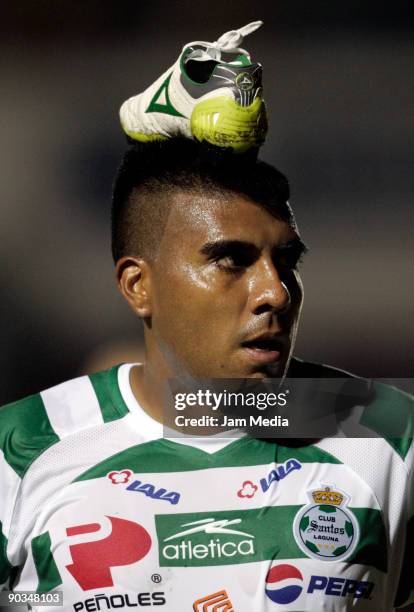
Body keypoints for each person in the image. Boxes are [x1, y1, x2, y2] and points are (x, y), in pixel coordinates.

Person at [1, 24, 413, 612]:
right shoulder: (18, 451)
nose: (274, 291)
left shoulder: (389, 436)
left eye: (286, 261)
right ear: (138, 285)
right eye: (231, 261)